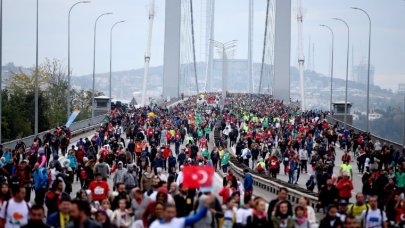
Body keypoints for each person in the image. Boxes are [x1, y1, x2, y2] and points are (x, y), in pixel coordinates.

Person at [149, 194, 214, 228]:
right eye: (168, 212)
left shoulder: (179, 222)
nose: (171, 214)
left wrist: (206, 206)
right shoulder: (155, 225)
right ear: (163, 212)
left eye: (173, 212)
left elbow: (196, 217)